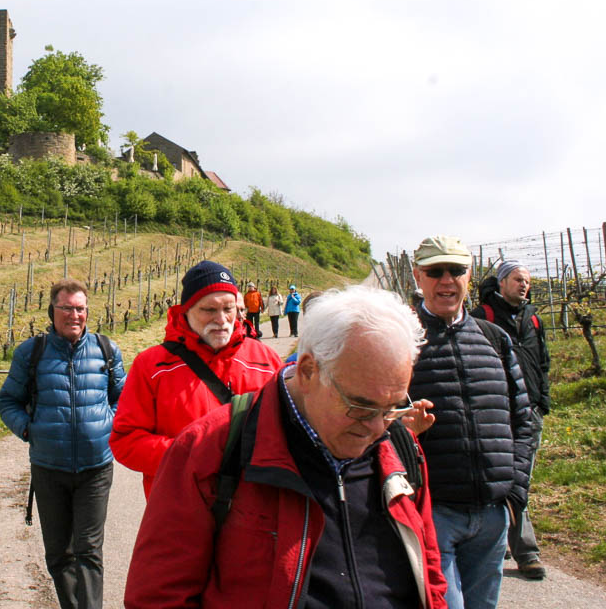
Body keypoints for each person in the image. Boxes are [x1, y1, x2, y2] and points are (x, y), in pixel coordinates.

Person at [124, 286, 448, 608]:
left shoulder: (400, 449)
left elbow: (430, 576)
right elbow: (159, 598)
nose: (377, 428)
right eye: (360, 407)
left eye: (392, 408)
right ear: (307, 372)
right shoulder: (208, 449)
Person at [408, 236, 533, 609]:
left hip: (492, 514)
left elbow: (522, 418)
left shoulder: (495, 339)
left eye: (456, 270)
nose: (447, 280)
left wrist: (515, 491)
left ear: (470, 275)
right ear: (418, 276)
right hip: (434, 511)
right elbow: (376, 423)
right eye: (435, 271)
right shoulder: (400, 341)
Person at [0, 278, 127, 609]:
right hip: (49, 469)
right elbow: (8, 401)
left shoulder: (106, 350)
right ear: (52, 311)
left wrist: (106, 424)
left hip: (96, 468)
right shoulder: (31, 353)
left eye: (80, 308)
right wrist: (30, 430)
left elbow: (124, 399)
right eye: (66, 308)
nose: (74, 315)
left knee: (89, 550)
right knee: (58, 554)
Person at [110, 260, 281, 497]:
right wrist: (193, 455)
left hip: (252, 509)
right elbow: (126, 441)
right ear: (186, 311)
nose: (221, 319)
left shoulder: (267, 361)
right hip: (179, 509)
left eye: (229, 309)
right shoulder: (151, 366)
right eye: (209, 310)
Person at [476, 260, 551, 580]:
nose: (524, 285)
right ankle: (525, 551)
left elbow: (543, 362)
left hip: (529, 410)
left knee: (521, 478)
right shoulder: (482, 317)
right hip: (495, 410)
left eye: (527, 281)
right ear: (502, 283)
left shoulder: (533, 318)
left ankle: (506, 536)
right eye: (518, 279)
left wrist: (542, 400)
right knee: (497, 476)